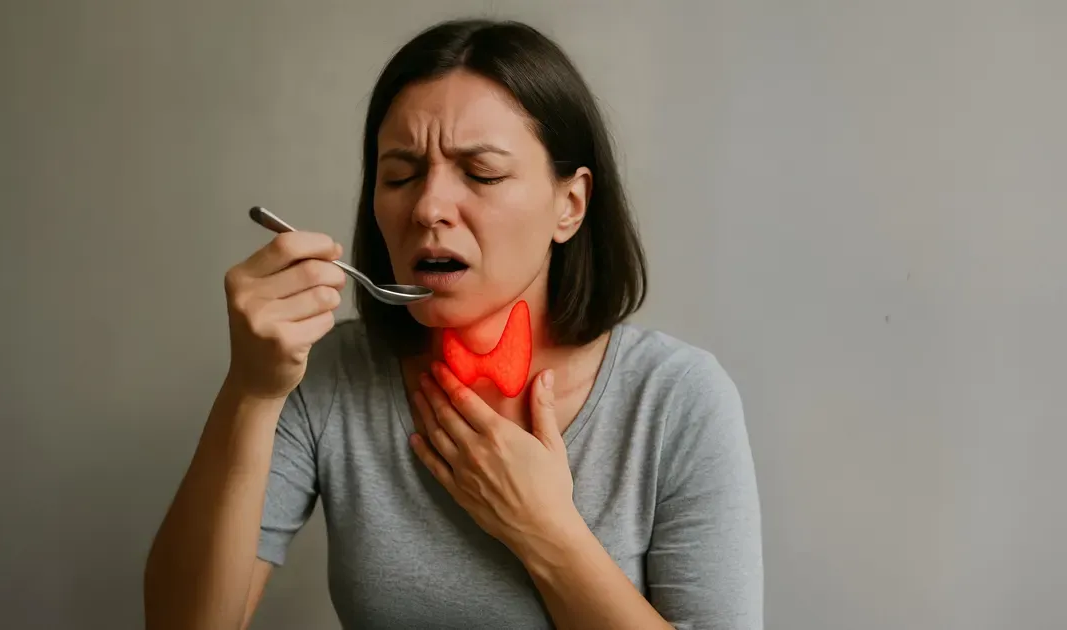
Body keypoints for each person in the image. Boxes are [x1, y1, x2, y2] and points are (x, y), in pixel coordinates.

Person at [144, 18, 763, 630]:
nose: (428, 207)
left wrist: (546, 533)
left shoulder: (678, 398)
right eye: (400, 175)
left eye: (482, 173)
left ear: (568, 205)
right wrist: (251, 392)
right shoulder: (327, 375)